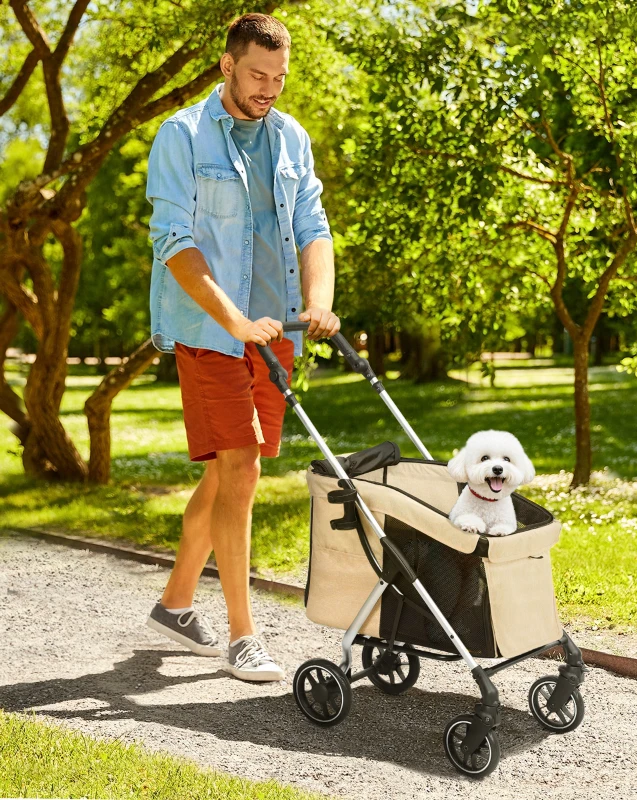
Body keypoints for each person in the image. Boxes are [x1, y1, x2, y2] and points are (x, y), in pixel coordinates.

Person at [144, 12, 340, 681]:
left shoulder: (290, 139)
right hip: (209, 331)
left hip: (274, 332)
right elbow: (174, 241)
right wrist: (231, 321)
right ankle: (242, 634)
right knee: (244, 471)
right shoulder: (182, 136)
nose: (269, 88)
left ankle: (174, 606)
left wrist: (317, 301)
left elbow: (313, 225)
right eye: (258, 74)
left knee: (229, 469)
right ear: (227, 65)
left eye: (280, 77)